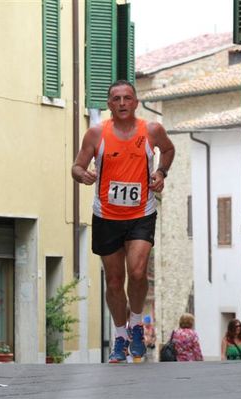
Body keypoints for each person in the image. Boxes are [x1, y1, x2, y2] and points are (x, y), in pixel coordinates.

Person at [72, 80, 175, 363]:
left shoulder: (151, 130)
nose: (121, 103)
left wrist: (161, 172)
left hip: (141, 212)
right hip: (107, 215)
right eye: (116, 98)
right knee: (115, 280)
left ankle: (136, 324)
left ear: (136, 102)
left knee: (139, 271)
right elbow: (77, 166)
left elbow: (168, 150)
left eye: (127, 98)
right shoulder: (96, 134)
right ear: (109, 104)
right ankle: (120, 337)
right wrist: (83, 175)